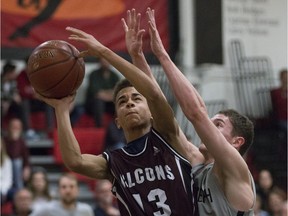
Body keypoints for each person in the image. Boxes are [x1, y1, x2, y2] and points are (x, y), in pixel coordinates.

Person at [35, 25, 197, 215]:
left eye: (136, 99)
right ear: (117, 120)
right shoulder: (115, 162)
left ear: (151, 112)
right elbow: (75, 162)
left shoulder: (169, 137)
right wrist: (62, 110)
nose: (129, 103)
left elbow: (154, 94)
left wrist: (103, 52)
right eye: (122, 101)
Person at [126, 8, 255, 215]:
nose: (208, 128)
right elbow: (158, 105)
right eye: (211, 122)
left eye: (218, 124)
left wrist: (162, 54)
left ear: (236, 142)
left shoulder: (234, 168)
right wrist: (138, 56)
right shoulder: (197, 160)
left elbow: (196, 113)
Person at [16, 57, 54, 136]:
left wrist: (39, 95)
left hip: (39, 101)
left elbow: (47, 89)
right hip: (29, 103)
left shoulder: (41, 73)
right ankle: (28, 130)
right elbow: (22, 92)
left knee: (49, 103)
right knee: (24, 102)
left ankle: (50, 129)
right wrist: (33, 94)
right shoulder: (21, 75)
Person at [85, 57, 120, 127]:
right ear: (99, 62)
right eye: (103, 61)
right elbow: (96, 92)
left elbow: (118, 91)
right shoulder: (94, 74)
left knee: (119, 101)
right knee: (98, 101)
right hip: (93, 104)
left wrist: (106, 94)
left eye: (107, 61)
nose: (105, 63)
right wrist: (110, 93)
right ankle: (99, 126)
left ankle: (118, 125)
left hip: (109, 103)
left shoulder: (114, 75)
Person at [3, 118, 31, 191]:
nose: (15, 129)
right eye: (14, 127)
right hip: (4, 166)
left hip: (16, 168)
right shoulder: (4, 140)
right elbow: (10, 155)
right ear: (8, 127)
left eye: (18, 127)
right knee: (14, 162)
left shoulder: (21, 141)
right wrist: (13, 141)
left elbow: (25, 157)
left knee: (17, 162)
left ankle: (19, 189)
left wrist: (26, 167)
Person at [0, 136, 13, 204]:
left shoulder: (7, 161)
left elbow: (8, 180)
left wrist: (3, 191)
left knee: (16, 193)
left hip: (4, 189)